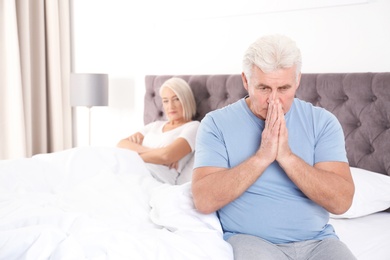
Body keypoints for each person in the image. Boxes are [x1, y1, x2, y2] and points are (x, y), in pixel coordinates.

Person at [191, 34, 356, 259]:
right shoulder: (216, 124)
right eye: (264, 88)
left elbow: (342, 202)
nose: (274, 100)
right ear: (246, 81)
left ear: (297, 81)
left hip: (318, 242)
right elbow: (204, 199)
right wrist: (262, 157)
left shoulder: (323, 122)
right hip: (252, 240)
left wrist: (287, 157)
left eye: (284, 88)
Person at [117, 77, 199, 185]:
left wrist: (135, 154)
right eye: (165, 101)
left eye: (176, 99)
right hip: (134, 169)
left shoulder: (194, 127)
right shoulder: (155, 125)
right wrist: (157, 154)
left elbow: (167, 155)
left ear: (186, 100)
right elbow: (121, 144)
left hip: (156, 178)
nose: (170, 106)